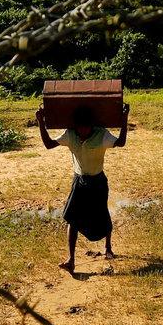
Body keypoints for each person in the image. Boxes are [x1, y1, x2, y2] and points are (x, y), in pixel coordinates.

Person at [37, 101, 130, 271]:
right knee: (72, 218)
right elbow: (49, 145)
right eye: (80, 127)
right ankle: (71, 260)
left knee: (102, 214)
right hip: (79, 181)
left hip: (98, 181)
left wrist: (124, 119)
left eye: (86, 127)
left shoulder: (102, 135)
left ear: (92, 126)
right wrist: (40, 122)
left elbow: (121, 142)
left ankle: (108, 247)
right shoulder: (70, 134)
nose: (83, 131)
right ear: (75, 126)